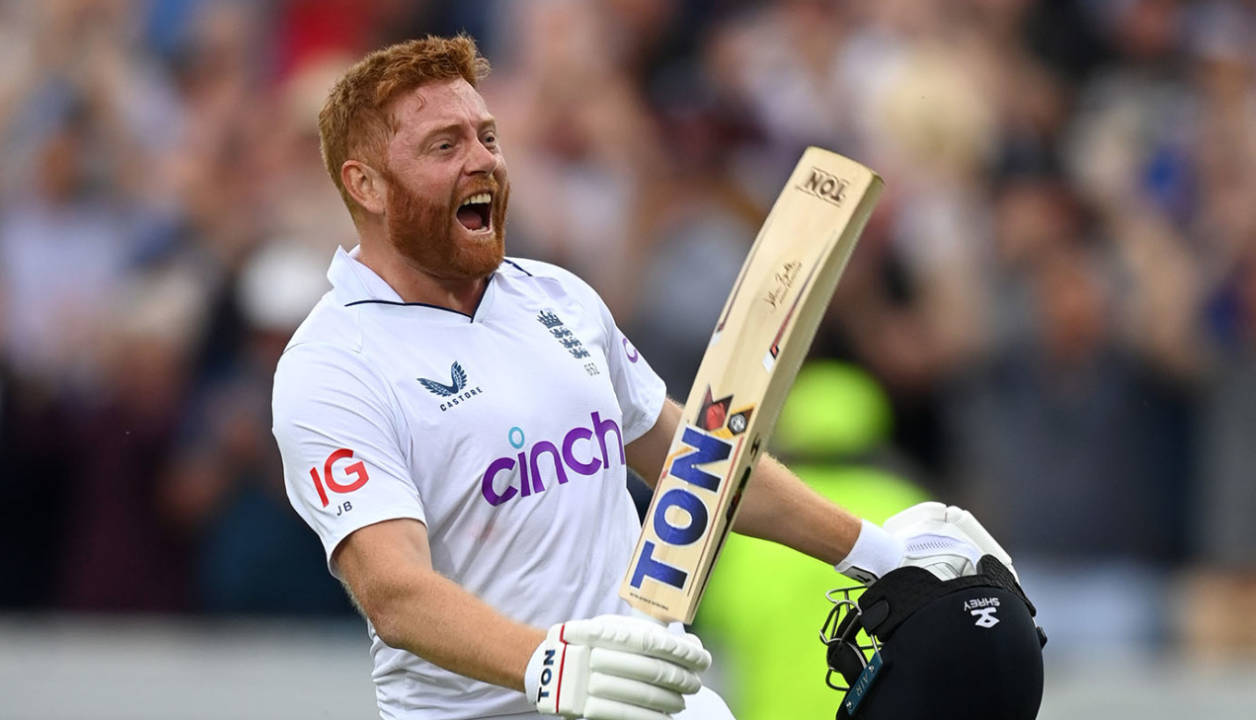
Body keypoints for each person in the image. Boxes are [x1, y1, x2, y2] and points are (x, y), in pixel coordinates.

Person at [271, 34, 1013, 720]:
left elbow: (695, 458)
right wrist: (545, 664)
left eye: (488, 137)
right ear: (364, 184)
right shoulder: (333, 364)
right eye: (445, 144)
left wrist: (879, 554)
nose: (485, 160)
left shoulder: (557, 297)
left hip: (647, 700)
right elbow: (393, 592)